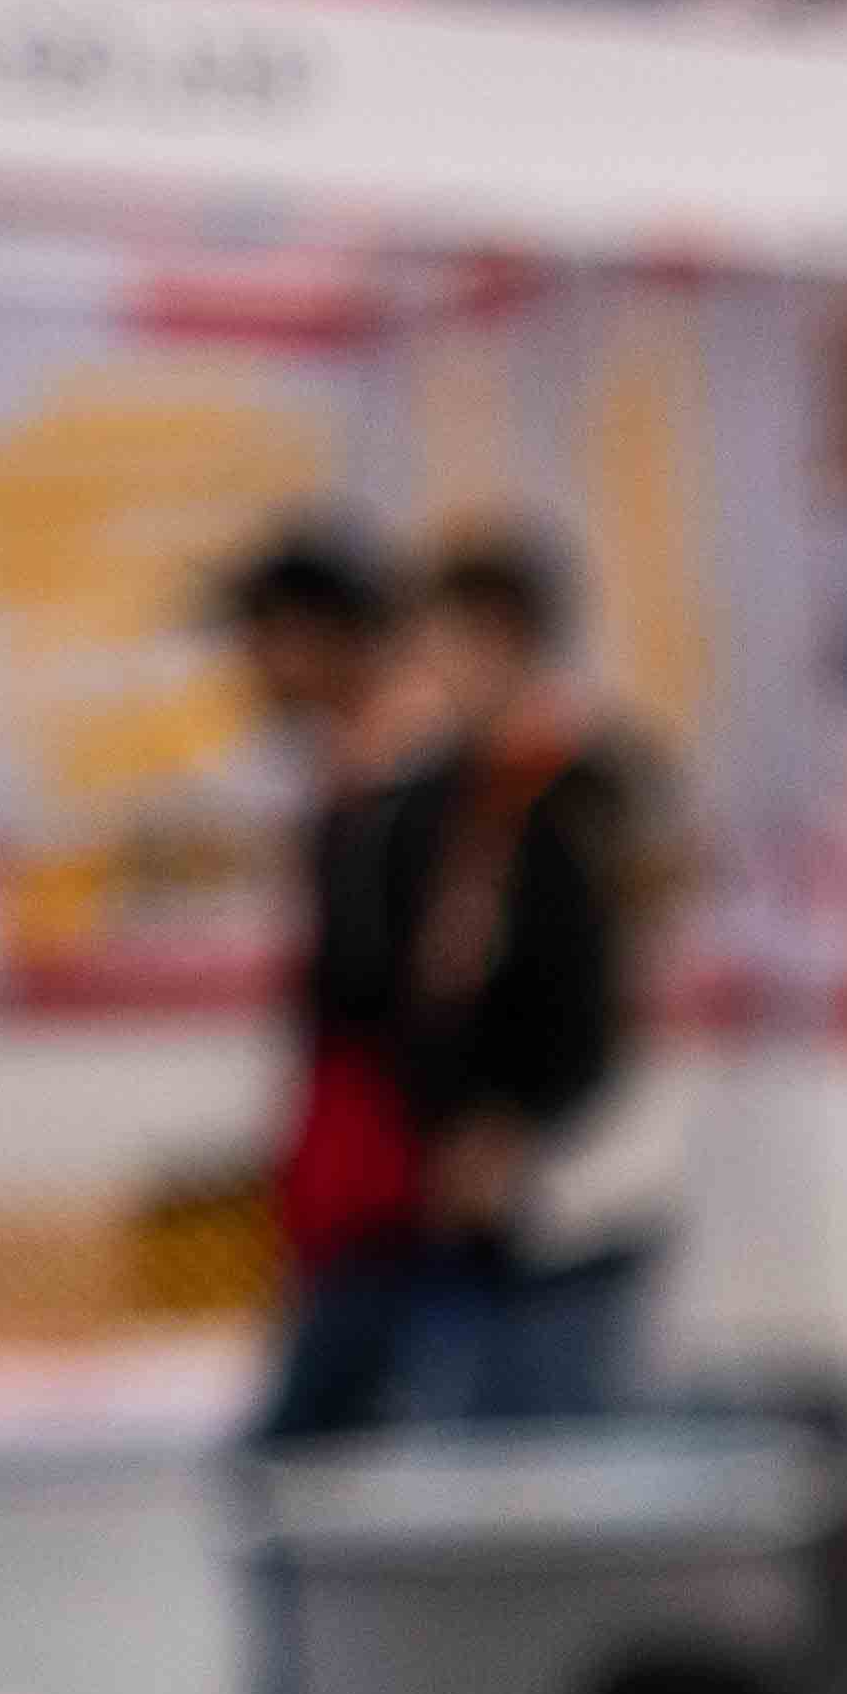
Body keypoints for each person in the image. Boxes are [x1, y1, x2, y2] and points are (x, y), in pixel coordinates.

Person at [251, 518, 659, 1446]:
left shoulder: (582, 794)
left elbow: (599, 995)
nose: (434, 674)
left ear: (506, 643)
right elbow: (379, 979)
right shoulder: (435, 802)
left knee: (539, 1441)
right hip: (456, 1186)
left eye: (450, 647)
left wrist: (518, 1126)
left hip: (567, 1179)